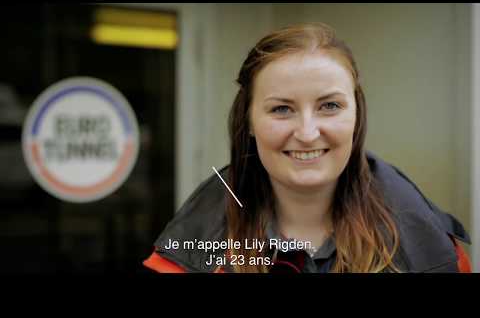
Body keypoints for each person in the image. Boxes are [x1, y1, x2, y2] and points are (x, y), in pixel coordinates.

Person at [144, 23, 472, 273]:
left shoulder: (433, 250)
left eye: (329, 106)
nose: (307, 132)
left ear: (356, 116)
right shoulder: (184, 255)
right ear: (250, 122)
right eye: (281, 109)